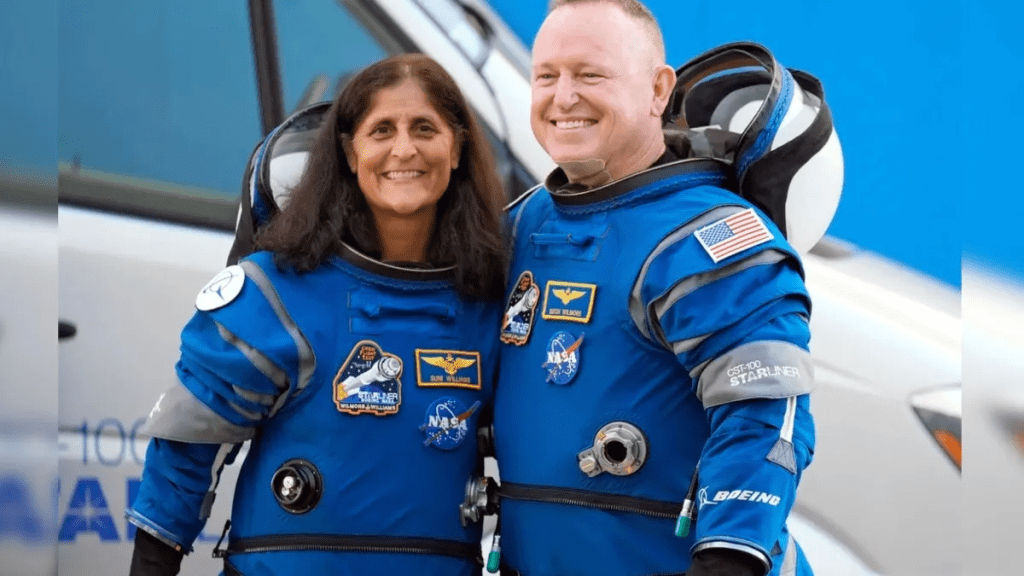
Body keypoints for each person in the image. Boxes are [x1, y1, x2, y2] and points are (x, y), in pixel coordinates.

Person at [126, 53, 508, 576]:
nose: (404, 149)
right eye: (381, 130)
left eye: (425, 128)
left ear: (457, 147)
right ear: (351, 153)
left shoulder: (488, 303)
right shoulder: (276, 293)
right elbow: (188, 447)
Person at [491, 1, 819, 575]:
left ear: (657, 90)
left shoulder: (710, 235)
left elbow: (768, 413)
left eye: (590, 74)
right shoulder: (522, 224)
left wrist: (728, 558)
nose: (563, 96)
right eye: (547, 75)